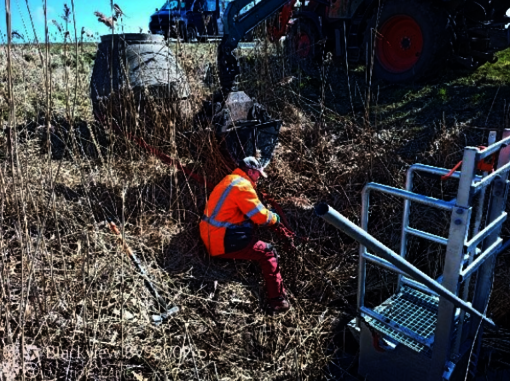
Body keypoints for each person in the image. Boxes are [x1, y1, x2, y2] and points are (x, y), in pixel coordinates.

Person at [200, 156, 290, 313]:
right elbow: (261, 217)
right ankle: (278, 300)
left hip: (212, 235)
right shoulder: (242, 186)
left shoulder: (230, 180)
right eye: (258, 175)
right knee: (268, 252)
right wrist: (275, 218)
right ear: (250, 171)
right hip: (221, 240)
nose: (259, 178)